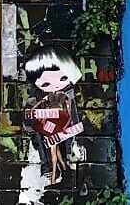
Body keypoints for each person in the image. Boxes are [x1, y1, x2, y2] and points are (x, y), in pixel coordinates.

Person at [23, 46, 84, 184]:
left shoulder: (67, 94)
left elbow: (72, 113)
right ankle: (51, 169)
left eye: (63, 78)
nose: (56, 85)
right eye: (46, 83)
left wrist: (71, 127)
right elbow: (29, 117)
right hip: (46, 128)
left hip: (61, 128)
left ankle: (62, 166)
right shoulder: (37, 95)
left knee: (59, 149)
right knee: (50, 149)